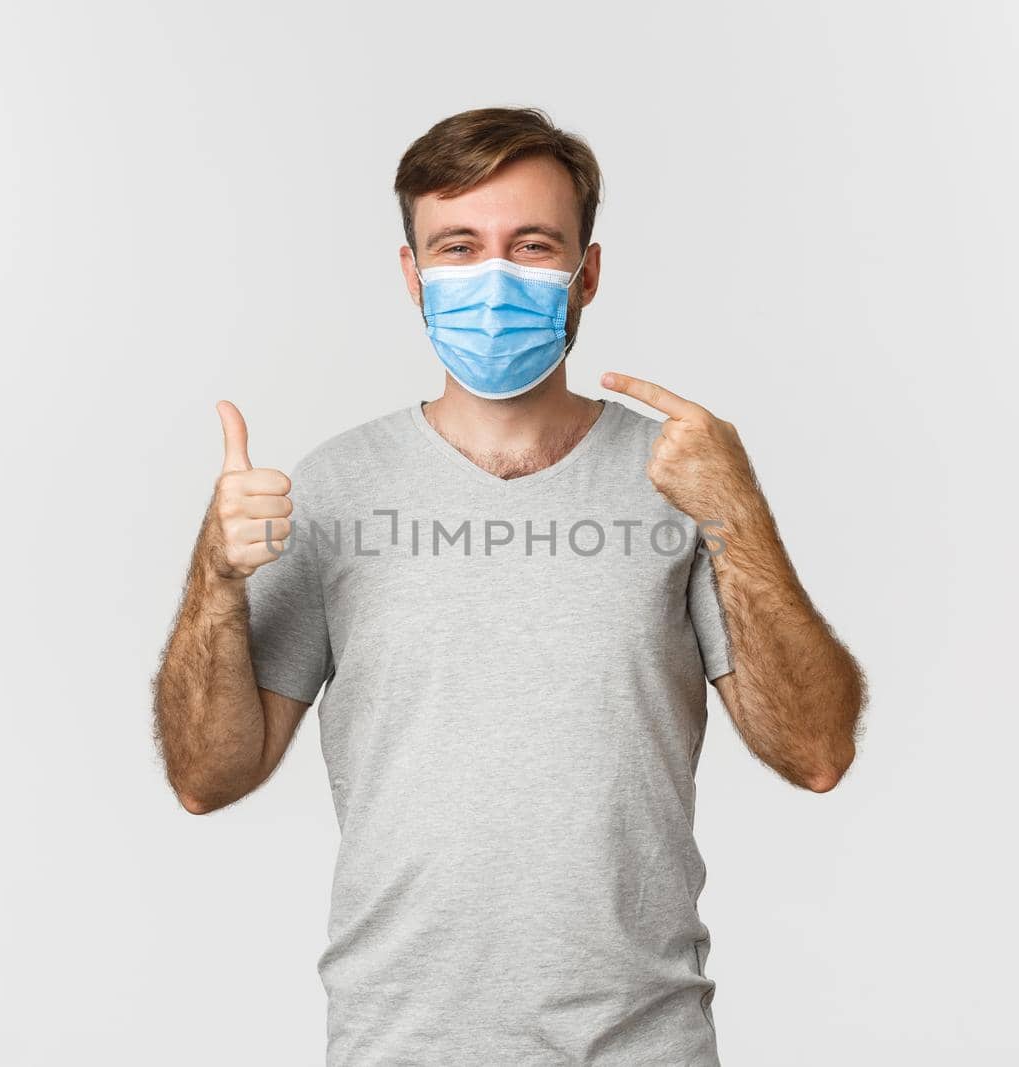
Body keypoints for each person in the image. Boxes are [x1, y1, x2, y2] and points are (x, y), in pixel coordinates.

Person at [152, 106, 866, 1065]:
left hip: (641, 1041)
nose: (494, 278)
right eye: (458, 246)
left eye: (532, 245)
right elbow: (209, 778)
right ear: (412, 276)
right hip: (401, 1040)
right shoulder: (332, 486)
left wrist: (738, 516)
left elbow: (816, 751)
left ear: (588, 272)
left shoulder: (681, 476)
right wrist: (214, 577)